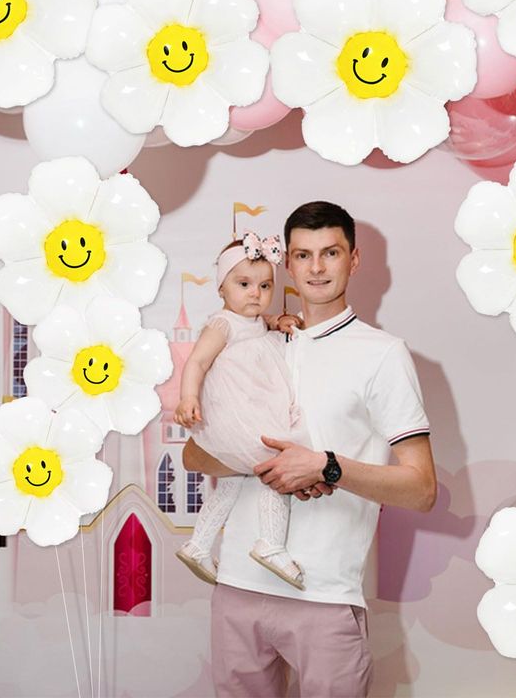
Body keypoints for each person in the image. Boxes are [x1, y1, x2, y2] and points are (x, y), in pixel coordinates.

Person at [183, 201, 437, 698]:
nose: (316, 268)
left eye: (330, 253)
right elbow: (195, 457)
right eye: (303, 255)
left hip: (323, 592)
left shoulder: (382, 354)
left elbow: (421, 488)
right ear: (288, 264)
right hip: (236, 586)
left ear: (353, 260)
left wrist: (326, 467)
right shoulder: (256, 340)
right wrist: (269, 463)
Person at [174, 231, 308, 589]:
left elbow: (263, 327)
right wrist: (188, 398)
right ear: (221, 288)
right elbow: (197, 362)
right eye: (244, 284)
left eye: (265, 286)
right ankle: (271, 544)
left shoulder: (255, 322)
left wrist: (277, 323)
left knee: (232, 480)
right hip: (237, 417)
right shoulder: (222, 324)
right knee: (278, 465)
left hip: (248, 415)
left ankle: (198, 545)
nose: (255, 294)